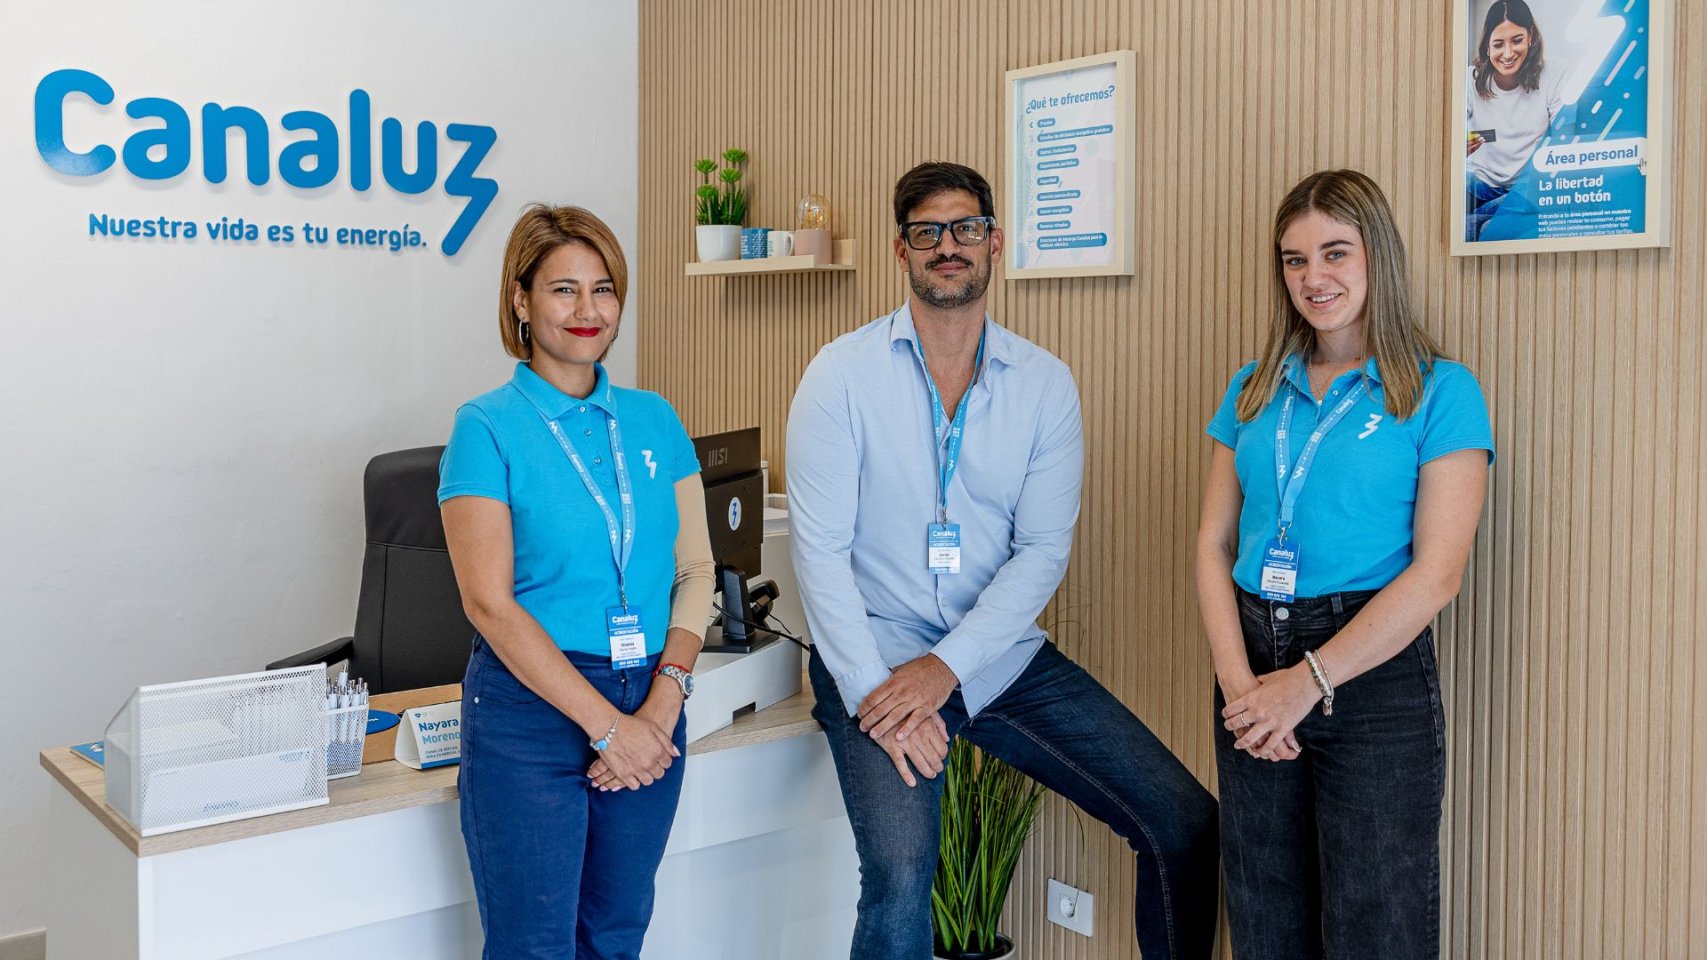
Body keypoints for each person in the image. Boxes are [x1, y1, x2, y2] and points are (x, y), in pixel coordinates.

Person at [787, 161, 1219, 960]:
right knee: (900, 869)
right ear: (900, 250)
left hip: (995, 653)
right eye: (926, 233)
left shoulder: (1044, 385)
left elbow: (1042, 550)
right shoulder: (838, 377)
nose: (946, 247)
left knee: (1182, 821)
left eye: (963, 229)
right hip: (874, 657)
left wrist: (946, 667)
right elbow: (818, 553)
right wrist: (882, 691)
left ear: (993, 243)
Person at [1196, 169, 1494, 959]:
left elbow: (1437, 575)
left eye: (1334, 253)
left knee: (1375, 921)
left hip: (1368, 676)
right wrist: (1241, 689)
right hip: (1249, 668)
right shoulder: (1253, 389)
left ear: (1376, 258)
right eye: (1293, 260)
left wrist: (1306, 683)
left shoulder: (1439, 391)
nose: (1313, 279)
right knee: (1264, 913)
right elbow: (1212, 546)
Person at [438, 204, 715, 960]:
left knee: (615, 935)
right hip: (531, 709)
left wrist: (664, 698)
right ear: (521, 301)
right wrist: (606, 726)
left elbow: (695, 571)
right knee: (535, 945)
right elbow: (487, 602)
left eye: (603, 289)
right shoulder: (486, 426)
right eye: (563, 289)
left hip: (650, 695)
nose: (588, 310)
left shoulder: (655, 419)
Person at [1464, 0, 1569, 240]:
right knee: (1471, 219)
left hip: (1527, 185)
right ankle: (1485, 218)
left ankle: (1479, 220)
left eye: (1517, 40)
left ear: (1530, 36)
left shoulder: (1555, 72)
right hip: (1477, 184)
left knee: (1477, 226)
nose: (1508, 53)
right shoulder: (1469, 80)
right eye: (1498, 44)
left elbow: (1564, 141)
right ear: (1487, 47)